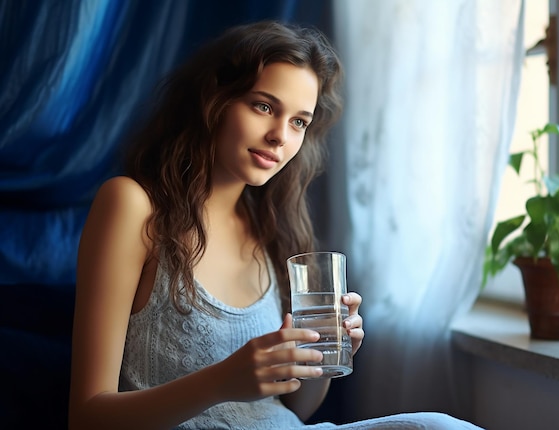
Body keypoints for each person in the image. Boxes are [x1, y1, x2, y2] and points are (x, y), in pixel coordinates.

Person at [68, 20, 483, 430]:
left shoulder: (271, 228)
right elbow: (87, 416)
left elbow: (290, 410)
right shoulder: (132, 205)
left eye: (299, 121)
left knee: (439, 426)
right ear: (214, 100)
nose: (279, 136)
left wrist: (321, 358)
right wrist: (220, 382)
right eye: (264, 106)